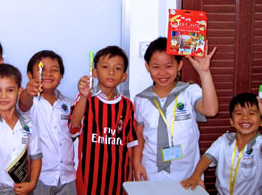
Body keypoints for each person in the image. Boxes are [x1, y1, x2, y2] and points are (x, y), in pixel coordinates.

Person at [133, 37, 219, 181]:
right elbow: (140, 135)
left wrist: (204, 73)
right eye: (156, 67)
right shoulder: (141, 99)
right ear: (147, 67)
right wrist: (136, 163)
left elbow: (211, 110)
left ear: (179, 65)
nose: (162, 73)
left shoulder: (190, 91)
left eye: (168, 66)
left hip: (187, 173)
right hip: (150, 171)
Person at [69, 46, 138, 195]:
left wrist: (130, 178)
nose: (111, 72)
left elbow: (130, 145)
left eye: (117, 68)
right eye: (105, 67)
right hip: (89, 178)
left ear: (124, 76)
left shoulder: (127, 106)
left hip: (118, 179)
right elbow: (73, 127)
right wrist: (83, 96)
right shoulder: (85, 100)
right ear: (94, 72)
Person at [0, 64, 42, 195]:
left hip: (25, 189)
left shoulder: (28, 123)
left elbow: (36, 156)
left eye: (10, 90)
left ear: (19, 92)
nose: (3, 96)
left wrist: (32, 183)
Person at [19, 50, 76, 194]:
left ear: (61, 76)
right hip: (39, 176)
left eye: (55, 70)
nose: (48, 74)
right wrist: (28, 91)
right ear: (30, 76)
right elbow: (23, 104)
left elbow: (72, 133)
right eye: (41, 70)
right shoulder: (31, 101)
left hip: (67, 175)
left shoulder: (68, 103)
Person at [181, 93, 261, 195]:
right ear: (231, 122)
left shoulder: (259, 144)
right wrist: (196, 175)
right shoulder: (224, 140)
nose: (245, 117)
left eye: (252, 113)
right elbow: (207, 158)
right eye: (239, 113)